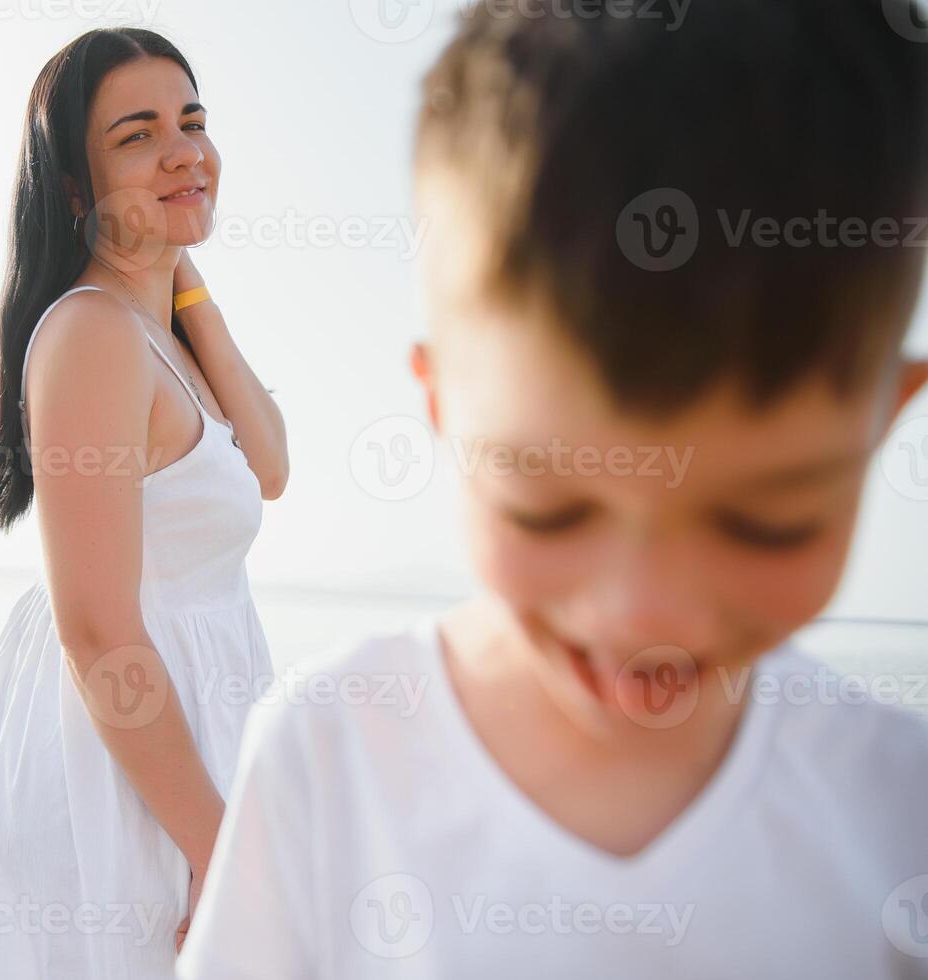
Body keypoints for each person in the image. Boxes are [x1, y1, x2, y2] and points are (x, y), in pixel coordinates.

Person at [177, 1, 928, 976]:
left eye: (764, 521)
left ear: (886, 417)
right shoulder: (328, 758)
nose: (645, 612)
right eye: (549, 506)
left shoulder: (897, 807)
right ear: (440, 402)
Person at [0, 26, 288, 979]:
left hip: (181, 733)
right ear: (75, 187)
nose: (185, 150)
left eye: (191, 121)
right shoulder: (92, 336)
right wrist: (217, 843)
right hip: (126, 762)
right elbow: (100, 631)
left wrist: (185, 290)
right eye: (138, 135)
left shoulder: (159, 334)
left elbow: (267, 463)